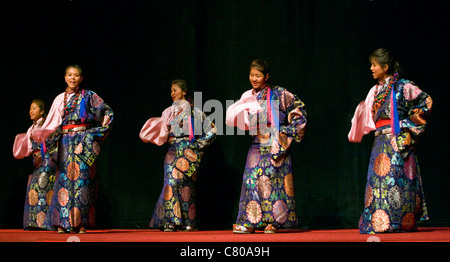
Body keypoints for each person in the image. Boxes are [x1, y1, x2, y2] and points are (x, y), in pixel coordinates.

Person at [348, 48, 432, 233]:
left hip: (398, 141)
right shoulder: (375, 90)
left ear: (385, 67)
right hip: (380, 141)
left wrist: (407, 126)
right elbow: (368, 119)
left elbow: (426, 102)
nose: (371, 68)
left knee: (397, 181)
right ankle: (378, 222)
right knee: (378, 183)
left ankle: (401, 222)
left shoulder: (404, 86)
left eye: (374, 65)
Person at [226, 59, 307, 234]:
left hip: (275, 143)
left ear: (266, 76)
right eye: (251, 75)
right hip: (257, 142)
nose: (254, 79)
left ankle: (272, 222)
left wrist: (284, 131)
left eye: (258, 75)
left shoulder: (280, 93)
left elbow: (299, 111)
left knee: (271, 183)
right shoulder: (248, 95)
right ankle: (250, 221)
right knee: (250, 179)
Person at [32, 65, 114, 233]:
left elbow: (107, 112)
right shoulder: (59, 99)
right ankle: (63, 222)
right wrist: (45, 140)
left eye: (76, 75)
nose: (73, 78)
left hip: (82, 142)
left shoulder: (89, 96)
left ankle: (81, 223)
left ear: (81, 78)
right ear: (65, 77)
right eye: (70, 75)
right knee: (64, 181)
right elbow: (52, 125)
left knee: (82, 181)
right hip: (64, 142)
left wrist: (95, 134)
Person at [140, 79, 216, 232]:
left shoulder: (195, 111)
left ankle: (188, 221)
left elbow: (212, 130)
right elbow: (161, 132)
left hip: (189, 151)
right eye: (171, 91)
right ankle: (171, 221)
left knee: (187, 186)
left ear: (184, 91)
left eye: (175, 90)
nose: (172, 93)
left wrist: (199, 145)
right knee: (171, 183)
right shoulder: (168, 111)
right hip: (173, 150)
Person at [13, 99, 60, 230]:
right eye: (30, 108)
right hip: (36, 162)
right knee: (33, 189)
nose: (31, 111)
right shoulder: (32, 128)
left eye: (34, 108)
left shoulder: (47, 125)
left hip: (47, 160)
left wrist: (44, 154)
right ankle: (34, 223)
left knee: (44, 187)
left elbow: (54, 140)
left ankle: (47, 223)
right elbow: (28, 147)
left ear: (42, 111)